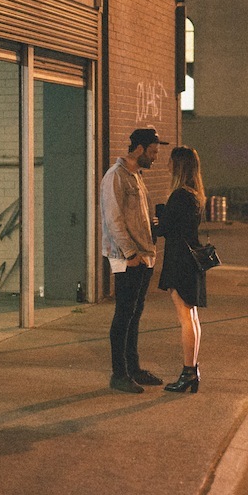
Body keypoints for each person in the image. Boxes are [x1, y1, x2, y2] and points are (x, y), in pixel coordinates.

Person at [100, 127, 168, 394]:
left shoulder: (136, 176)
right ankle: (119, 374)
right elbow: (113, 219)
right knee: (123, 315)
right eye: (152, 152)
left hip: (143, 256)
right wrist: (130, 254)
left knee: (134, 314)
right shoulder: (115, 176)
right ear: (139, 148)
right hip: (127, 258)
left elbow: (139, 216)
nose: (154, 158)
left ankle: (134, 368)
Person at [156, 146, 206, 394]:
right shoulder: (195, 195)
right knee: (193, 318)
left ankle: (188, 371)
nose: (167, 166)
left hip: (179, 261)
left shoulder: (179, 196)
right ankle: (192, 370)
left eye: (171, 162)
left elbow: (166, 229)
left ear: (179, 167)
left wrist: (159, 219)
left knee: (185, 319)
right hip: (191, 262)